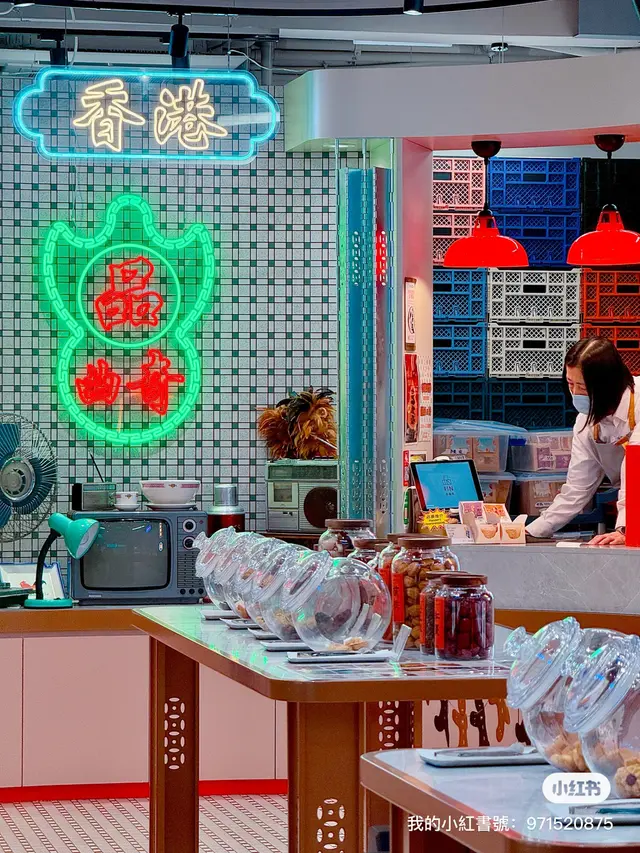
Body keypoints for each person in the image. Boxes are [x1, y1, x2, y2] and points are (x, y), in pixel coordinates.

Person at [526, 337, 640, 546]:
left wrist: (627, 528)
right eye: (571, 384)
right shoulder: (585, 423)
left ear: (607, 384)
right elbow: (577, 488)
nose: (576, 393)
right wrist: (530, 531)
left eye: (583, 387)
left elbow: (635, 470)